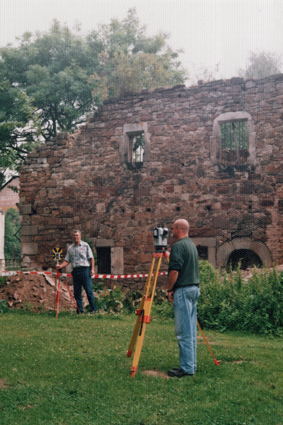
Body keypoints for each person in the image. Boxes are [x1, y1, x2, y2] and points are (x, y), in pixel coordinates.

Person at [167, 219, 200, 378]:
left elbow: (174, 271)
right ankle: (191, 365)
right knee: (191, 330)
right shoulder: (191, 245)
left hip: (183, 290)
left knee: (183, 332)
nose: (171, 231)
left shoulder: (178, 246)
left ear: (178, 229)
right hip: (194, 289)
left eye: (173, 228)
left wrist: (169, 289)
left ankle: (186, 368)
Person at [56, 230, 96, 314]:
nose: (75, 237)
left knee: (89, 291)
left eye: (77, 235)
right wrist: (60, 266)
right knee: (77, 293)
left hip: (85, 270)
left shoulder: (85, 245)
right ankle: (80, 311)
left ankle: (94, 310)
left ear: (80, 236)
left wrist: (92, 269)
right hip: (75, 271)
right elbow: (67, 260)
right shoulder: (70, 248)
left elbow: (91, 258)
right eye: (74, 235)